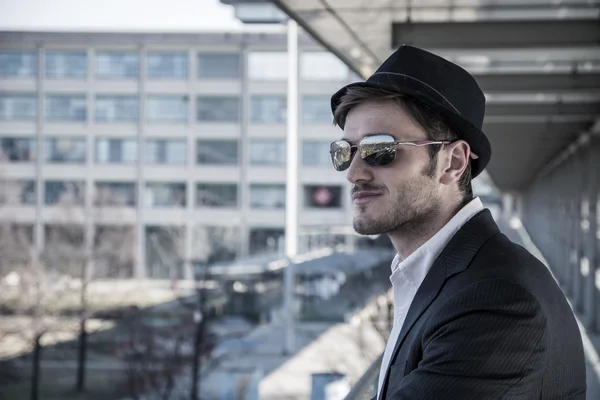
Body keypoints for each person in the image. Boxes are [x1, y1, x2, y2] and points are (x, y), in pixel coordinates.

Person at [329, 45, 586, 399]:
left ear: (452, 163)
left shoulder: (496, 300)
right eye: (345, 152)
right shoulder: (442, 275)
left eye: (379, 149)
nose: (354, 173)